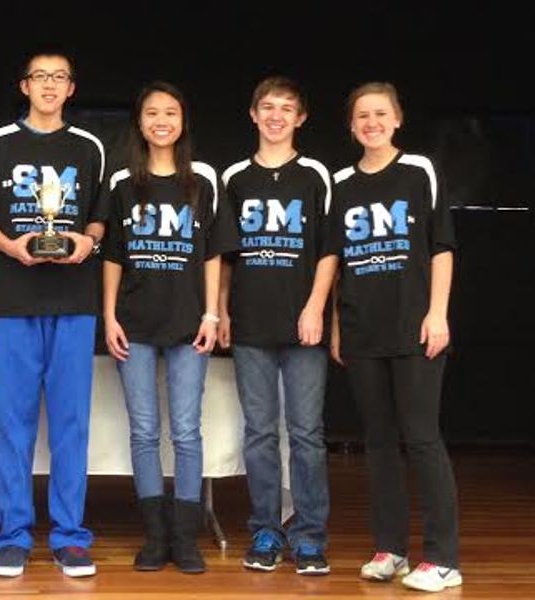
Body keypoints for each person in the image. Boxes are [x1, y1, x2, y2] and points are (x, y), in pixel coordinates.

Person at [0, 49, 106, 578]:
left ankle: (70, 537)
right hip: (13, 301)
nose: (50, 85)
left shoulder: (89, 148)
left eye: (60, 77)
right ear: (24, 85)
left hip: (73, 303)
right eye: (40, 76)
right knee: (13, 426)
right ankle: (13, 536)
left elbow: (100, 220)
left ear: (71, 87)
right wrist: (10, 246)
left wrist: (85, 243)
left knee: (71, 425)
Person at [326, 82, 461, 593]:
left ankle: (444, 559)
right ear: (351, 125)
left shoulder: (419, 170)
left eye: (380, 113)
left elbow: (442, 246)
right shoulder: (340, 182)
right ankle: (391, 549)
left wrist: (438, 314)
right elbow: (336, 262)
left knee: (422, 438)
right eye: (362, 115)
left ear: (397, 119)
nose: (371, 123)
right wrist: (339, 326)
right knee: (378, 443)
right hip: (363, 330)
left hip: (415, 327)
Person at [103, 81, 230, 574]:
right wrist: (110, 314)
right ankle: (155, 535)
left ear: (183, 121)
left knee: (187, 432)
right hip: (133, 323)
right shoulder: (121, 184)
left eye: (171, 112)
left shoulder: (202, 180)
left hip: (189, 324)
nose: (161, 121)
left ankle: (186, 535)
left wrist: (212, 313)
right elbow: (112, 254)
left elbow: (213, 253)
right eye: (152, 112)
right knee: (143, 431)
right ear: (140, 121)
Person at [217, 76, 335, 575]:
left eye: (287, 108)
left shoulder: (315, 175)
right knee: (260, 433)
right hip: (249, 325)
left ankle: (308, 536)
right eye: (267, 107)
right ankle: (266, 530)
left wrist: (314, 308)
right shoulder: (235, 177)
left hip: (302, 326)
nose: (276, 116)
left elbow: (330, 251)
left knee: (306, 432)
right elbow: (223, 255)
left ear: (300, 118)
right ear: (253, 114)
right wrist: (220, 309)